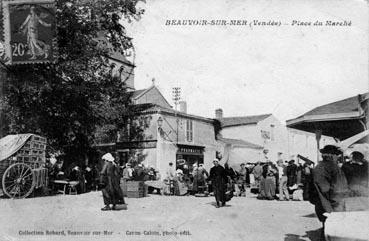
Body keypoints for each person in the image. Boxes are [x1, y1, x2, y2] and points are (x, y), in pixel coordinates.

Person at [311, 145, 349, 226]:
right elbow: (339, 188)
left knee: (326, 228)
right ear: (332, 155)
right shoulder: (334, 168)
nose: (337, 157)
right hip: (333, 206)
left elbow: (310, 190)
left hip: (321, 205)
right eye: (336, 155)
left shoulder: (317, 167)